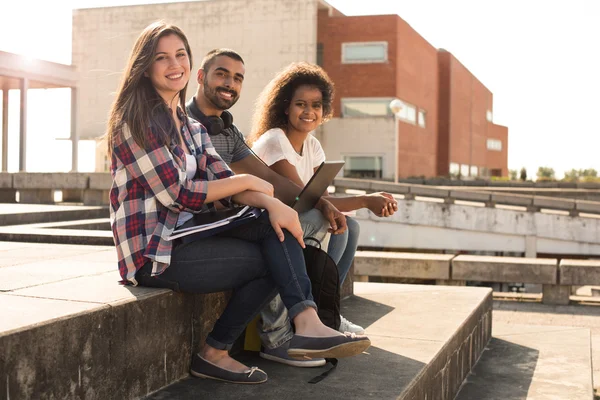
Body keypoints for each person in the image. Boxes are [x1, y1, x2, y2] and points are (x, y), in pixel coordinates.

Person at [106, 21, 370, 385]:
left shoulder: (190, 128)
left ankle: (285, 328)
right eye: (161, 57)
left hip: (187, 237)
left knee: (277, 234)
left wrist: (272, 203)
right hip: (153, 253)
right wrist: (250, 184)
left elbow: (223, 184)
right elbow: (179, 194)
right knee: (274, 238)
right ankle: (284, 329)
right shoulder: (135, 122)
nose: (174, 64)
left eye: (180, 54)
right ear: (145, 66)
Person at [186, 49, 351, 368]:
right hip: (197, 225)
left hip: (227, 216)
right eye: (222, 74)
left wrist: (320, 201)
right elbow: (211, 189)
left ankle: (310, 321)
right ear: (201, 76)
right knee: (283, 230)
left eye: (237, 78)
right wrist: (265, 198)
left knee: (296, 223)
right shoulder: (185, 126)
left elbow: (268, 177)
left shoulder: (227, 130)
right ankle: (280, 336)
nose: (230, 83)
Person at [248, 62, 399, 320]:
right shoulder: (275, 140)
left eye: (316, 105)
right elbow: (303, 197)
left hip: (300, 221)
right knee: (327, 220)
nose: (309, 111)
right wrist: (364, 200)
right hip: (267, 226)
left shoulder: (313, 145)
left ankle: (328, 310)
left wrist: (370, 201)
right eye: (301, 104)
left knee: (350, 227)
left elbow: (324, 199)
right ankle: (312, 316)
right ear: (285, 106)